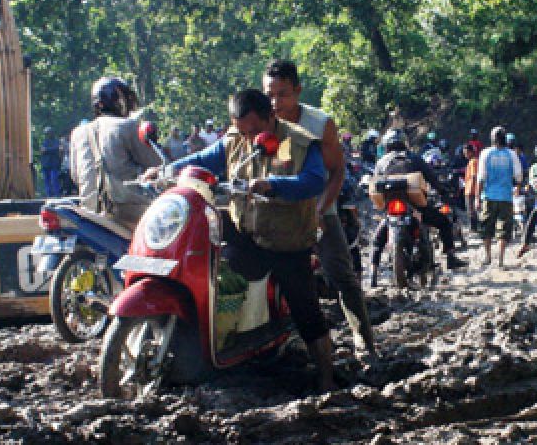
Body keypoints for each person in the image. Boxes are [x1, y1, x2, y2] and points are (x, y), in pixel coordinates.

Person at [155, 89, 336, 391]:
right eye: (241, 130)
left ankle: (327, 377)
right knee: (206, 246)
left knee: (307, 312)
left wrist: (271, 184)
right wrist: (166, 170)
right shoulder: (234, 140)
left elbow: (316, 181)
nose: (248, 136)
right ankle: (221, 343)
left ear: (271, 116)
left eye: (255, 129)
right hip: (246, 233)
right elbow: (202, 160)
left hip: (286, 241)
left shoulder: (300, 143)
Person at [263, 59, 378, 358]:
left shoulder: (319, 124)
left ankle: (365, 342)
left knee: (342, 275)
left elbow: (337, 171)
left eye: (282, 94)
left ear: (298, 91)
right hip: (272, 214)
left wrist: (322, 209)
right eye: (269, 95)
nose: (275, 102)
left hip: (315, 210)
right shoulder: (260, 122)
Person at [370, 128, 468, 285]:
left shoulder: (381, 162)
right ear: (404, 142)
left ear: (387, 145)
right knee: (444, 223)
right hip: (416, 206)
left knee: (377, 239)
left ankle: (373, 274)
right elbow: (432, 178)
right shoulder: (414, 158)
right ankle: (450, 257)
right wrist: (443, 190)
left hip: (391, 209)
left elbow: (375, 185)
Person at [68, 77, 162, 229]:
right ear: (119, 101)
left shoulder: (78, 133)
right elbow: (157, 165)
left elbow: (75, 176)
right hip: (128, 215)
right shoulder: (128, 126)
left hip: (89, 214)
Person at [475, 126, 522, 268]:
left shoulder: (485, 153)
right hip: (506, 197)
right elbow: (518, 175)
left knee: (486, 227)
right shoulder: (511, 154)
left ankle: (488, 256)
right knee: (503, 229)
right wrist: (517, 187)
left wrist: (477, 197)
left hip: (488, 196)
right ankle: (501, 259)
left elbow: (481, 177)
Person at [462, 142, 480, 232]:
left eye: (466, 153)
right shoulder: (472, 161)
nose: (465, 155)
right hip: (470, 188)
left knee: (471, 210)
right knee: (471, 210)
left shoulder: (473, 161)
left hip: (471, 190)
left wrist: (472, 188)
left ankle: (473, 228)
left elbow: (474, 176)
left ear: (471, 152)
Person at [40, 126, 62, 198]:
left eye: (48, 133)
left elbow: (57, 149)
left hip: (54, 164)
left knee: (54, 179)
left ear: (52, 133)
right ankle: (49, 195)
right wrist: (51, 150)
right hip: (45, 164)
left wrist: (47, 150)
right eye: (46, 133)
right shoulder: (44, 142)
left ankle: (57, 194)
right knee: (47, 181)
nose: (47, 135)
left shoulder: (56, 141)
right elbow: (42, 150)